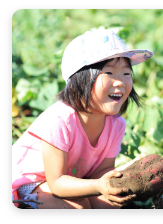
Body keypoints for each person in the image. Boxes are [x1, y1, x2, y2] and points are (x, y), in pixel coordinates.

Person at [12, 29, 153, 209]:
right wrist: (97, 186)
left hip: (74, 182)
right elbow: (57, 183)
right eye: (109, 73)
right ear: (80, 80)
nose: (120, 82)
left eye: (126, 74)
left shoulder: (116, 124)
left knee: (109, 204)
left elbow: (101, 172)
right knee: (79, 207)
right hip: (28, 184)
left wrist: (125, 174)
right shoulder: (60, 119)